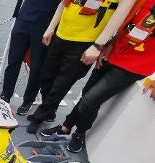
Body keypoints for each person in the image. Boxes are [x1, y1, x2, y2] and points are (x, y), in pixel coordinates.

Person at [40, 0, 155, 152]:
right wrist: (109, 45)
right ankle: (66, 126)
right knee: (86, 92)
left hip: (136, 65)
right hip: (113, 53)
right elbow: (126, 21)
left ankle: (80, 132)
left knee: (90, 100)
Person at [25, 0, 136, 134]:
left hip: (86, 41)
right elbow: (63, 3)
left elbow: (121, 13)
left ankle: (40, 116)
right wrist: (51, 27)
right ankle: (49, 111)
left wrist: (97, 45)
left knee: (62, 83)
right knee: (46, 77)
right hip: (61, 33)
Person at [0, 0, 61, 115]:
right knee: (13, 61)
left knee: (37, 66)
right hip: (23, 19)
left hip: (45, 24)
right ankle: (5, 95)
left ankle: (28, 100)